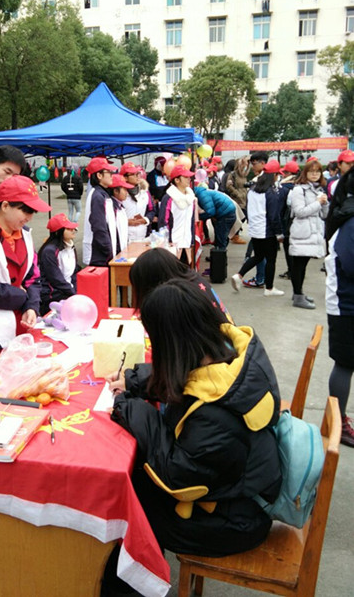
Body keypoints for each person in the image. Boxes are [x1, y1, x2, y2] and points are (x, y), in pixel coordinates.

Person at [109, 278, 281, 559]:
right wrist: (134, 381)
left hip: (233, 522)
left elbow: (178, 479)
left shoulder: (214, 413)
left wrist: (132, 408)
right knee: (135, 471)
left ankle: (124, 577)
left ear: (171, 343)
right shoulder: (223, 353)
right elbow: (186, 380)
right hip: (231, 494)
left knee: (128, 492)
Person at [0, 175, 51, 334]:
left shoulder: (26, 235)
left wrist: (31, 307)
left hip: (21, 322)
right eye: (25, 210)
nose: (29, 217)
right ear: (5, 206)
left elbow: (33, 277)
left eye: (33, 211)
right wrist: (21, 296)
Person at [325, 167, 354, 447]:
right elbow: (350, 263)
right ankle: (338, 421)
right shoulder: (350, 220)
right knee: (345, 363)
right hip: (346, 305)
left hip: (347, 302)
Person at [231, 159, 284, 296]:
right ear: (275, 175)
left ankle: (239, 275)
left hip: (254, 229)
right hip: (267, 231)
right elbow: (274, 216)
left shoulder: (253, 190)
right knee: (270, 260)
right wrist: (279, 233)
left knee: (258, 256)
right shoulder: (271, 192)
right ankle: (269, 288)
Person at [288, 159, 329, 309]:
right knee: (298, 265)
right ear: (305, 173)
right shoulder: (299, 190)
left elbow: (324, 215)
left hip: (314, 232)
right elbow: (299, 212)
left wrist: (325, 203)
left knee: (303, 265)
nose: (314, 174)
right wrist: (318, 203)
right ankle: (298, 296)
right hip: (303, 232)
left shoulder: (319, 190)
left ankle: (298, 293)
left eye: (317, 171)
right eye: (311, 171)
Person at [38, 213, 79, 315]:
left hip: (68, 291)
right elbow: (56, 279)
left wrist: (76, 290)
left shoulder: (71, 247)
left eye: (72, 228)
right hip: (53, 296)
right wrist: (73, 293)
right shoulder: (49, 251)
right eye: (68, 229)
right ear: (58, 232)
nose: (73, 230)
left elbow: (74, 273)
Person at [82, 157, 118, 266]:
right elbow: (99, 227)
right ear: (99, 175)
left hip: (103, 253)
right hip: (99, 255)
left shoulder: (102, 194)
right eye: (109, 172)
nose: (112, 175)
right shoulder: (98, 196)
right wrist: (108, 250)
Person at [241, 152, 269, 288]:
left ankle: (260, 278)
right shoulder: (260, 179)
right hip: (260, 223)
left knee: (259, 254)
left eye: (254, 163)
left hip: (262, 223)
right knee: (261, 254)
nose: (252, 167)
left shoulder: (264, 181)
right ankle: (261, 278)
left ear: (263, 163)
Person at [158, 164, 196, 263]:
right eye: (185, 177)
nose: (189, 179)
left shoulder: (190, 197)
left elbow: (191, 221)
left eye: (189, 176)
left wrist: (192, 240)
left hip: (187, 243)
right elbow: (163, 222)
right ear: (177, 180)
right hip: (173, 243)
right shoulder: (168, 198)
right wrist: (168, 241)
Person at [120, 162, 156, 242]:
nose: (137, 176)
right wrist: (125, 222)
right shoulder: (120, 194)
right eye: (133, 174)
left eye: (138, 173)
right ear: (125, 178)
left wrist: (145, 219)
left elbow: (152, 210)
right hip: (125, 238)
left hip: (143, 235)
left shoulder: (145, 191)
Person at [194, 184, 236, 250]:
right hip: (226, 212)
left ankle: (220, 253)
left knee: (221, 236)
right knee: (221, 235)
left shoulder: (202, 195)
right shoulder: (202, 193)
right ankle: (218, 252)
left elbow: (210, 212)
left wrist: (197, 217)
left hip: (225, 214)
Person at [277, 160, 300, 280]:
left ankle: (292, 271)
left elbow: (280, 209)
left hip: (287, 223)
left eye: (285, 172)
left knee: (288, 248)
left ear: (289, 173)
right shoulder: (300, 185)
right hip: (298, 222)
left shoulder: (284, 187)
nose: (283, 175)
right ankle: (295, 270)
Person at [224, 156, 250, 245]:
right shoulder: (233, 174)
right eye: (245, 163)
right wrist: (237, 194)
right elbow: (229, 186)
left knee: (243, 216)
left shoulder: (244, 175)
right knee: (239, 216)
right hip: (237, 199)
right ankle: (234, 235)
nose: (246, 165)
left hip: (244, 199)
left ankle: (234, 233)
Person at [109, 173, 133, 254]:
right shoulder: (111, 208)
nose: (127, 193)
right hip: (116, 252)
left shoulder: (120, 206)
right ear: (115, 191)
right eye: (125, 190)